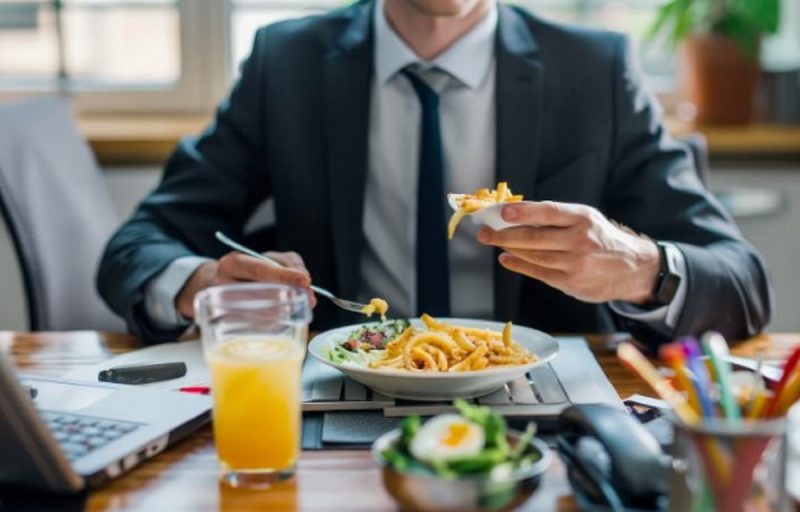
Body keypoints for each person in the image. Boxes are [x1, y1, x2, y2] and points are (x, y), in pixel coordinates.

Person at [97, 0, 772, 345]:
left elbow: (740, 283)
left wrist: (641, 265)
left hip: (548, 412)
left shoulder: (595, 69)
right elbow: (140, 244)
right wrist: (201, 284)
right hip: (339, 396)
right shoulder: (287, 62)